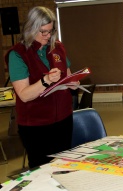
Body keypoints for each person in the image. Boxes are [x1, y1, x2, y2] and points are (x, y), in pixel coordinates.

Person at [5, 6, 79, 168]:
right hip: (36, 125)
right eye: (43, 32)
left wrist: (73, 82)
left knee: (64, 166)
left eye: (50, 31)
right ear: (31, 28)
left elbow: (67, 74)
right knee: (42, 169)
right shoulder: (18, 54)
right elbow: (24, 95)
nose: (47, 36)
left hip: (63, 118)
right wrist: (45, 80)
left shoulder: (57, 47)